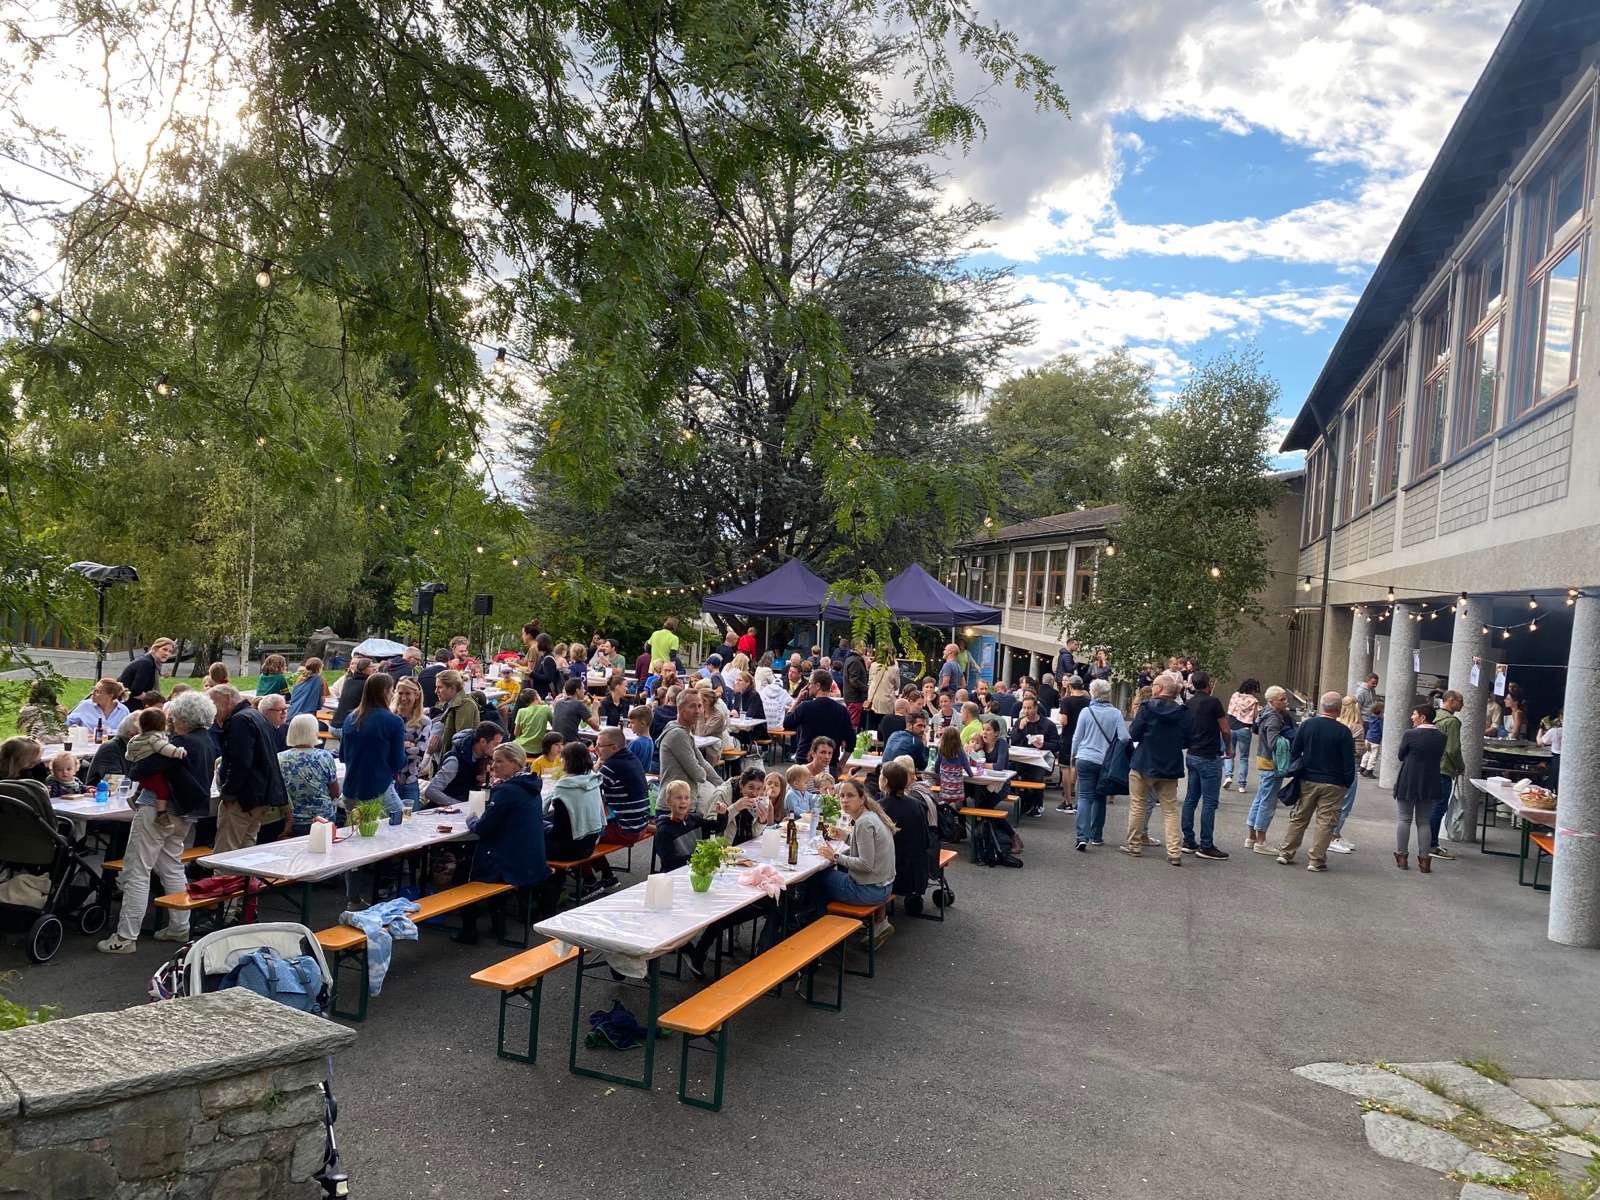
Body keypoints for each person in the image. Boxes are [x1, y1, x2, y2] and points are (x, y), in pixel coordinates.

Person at [98, 689, 217, 953]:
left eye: (173, 716)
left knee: (136, 870)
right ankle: (179, 926)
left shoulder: (179, 743)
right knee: (171, 865)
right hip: (187, 813)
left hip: (157, 810)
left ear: (181, 717)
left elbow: (139, 769)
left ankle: (125, 937)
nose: (171, 720)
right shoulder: (207, 741)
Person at [455, 742, 551, 943]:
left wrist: (471, 818)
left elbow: (482, 828)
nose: (494, 766)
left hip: (510, 863)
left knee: (463, 871)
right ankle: (497, 926)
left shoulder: (508, 791)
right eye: (493, 761)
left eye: (499, 761)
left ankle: (469, 931)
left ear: (515, 763)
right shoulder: (531, 786)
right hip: (530, 859)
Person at [1276, 692, 1357, 872]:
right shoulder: (1343, 732)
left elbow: (1295, 750)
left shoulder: (1307, 725)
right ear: (1338, 708)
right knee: (1325, 822)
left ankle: (1286, 852)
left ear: (1322, 706)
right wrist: (1347, 782)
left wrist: (1298, 768)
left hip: (1308, 778)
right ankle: (1316, 860)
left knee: (1299, 817)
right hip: (1334, 782)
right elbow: (1348, 762)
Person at [1123, 672, 1192, 865]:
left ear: (1160, 688)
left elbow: (1134, 733)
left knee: (1138, 805)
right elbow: (1188, 739)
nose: (1152, 687)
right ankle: (1174, 852)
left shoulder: (1147, 708)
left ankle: (1134, 845)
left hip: (1144, 762)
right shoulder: (1183, 712)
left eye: (1154, 684)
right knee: (1170, 810)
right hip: (1170, 765)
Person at [211, 685, 290, 852]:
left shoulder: (239, 720)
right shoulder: (254, 715)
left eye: (213, 704)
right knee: (247, 847)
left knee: (226, 850)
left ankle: (226, 879)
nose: (212, 711)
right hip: (260, 796)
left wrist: (229, 794)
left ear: (226, 700)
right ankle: (244, 879)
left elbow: (240, 762)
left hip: (243, 798)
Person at [816, 778, 896, 938]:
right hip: (885, 885)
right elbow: (868, 849)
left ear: (862, 799)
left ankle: (822, 933)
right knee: (833, 873)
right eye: (842, 795)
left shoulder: (863, 824)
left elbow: (866, 865)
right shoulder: (871, 816)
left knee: (818, 878)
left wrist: (835, 857)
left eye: (850, 796)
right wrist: (846, 836)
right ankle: (830, 926)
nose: (844, 800)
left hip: (871, 891)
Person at [338, 673, 407, 824]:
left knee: (358, 836)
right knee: (403, 825)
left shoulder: (351, 718)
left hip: (350, 790)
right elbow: (398, 762)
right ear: (385, 692)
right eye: (392, 690)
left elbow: (342, 755)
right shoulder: (394, 721)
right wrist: (406, 751)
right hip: (377, 789)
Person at [1070, 679, 1126, 851]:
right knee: (1100, 797)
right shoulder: (1116, 713)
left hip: (1085, 758)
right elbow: (1124, 737)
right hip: (1105, 761)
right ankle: (1096, 835)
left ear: (1092, 693)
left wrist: (1073, 755)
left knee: (1084, 797)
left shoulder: (1086, 712)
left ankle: (1081, 836)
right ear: (1108, 694)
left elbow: (1077, 737)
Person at [1179, 670, 1230, 860]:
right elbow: (1225, 729)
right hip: (1209, 755)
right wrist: (1229, 749)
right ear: (1208, 684)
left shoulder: (1188, 704)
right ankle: (1206, 844)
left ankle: (1188, 839)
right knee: (1209, 801)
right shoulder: (1213, 702)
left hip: (1192, 754)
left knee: (1191, 798)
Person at [1393, 703, 1445, 873]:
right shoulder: (1441, 737)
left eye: (1414, 714)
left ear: (1423, 717)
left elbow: (1401, 755)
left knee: (1404, 818)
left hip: (1408, 779)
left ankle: (1402, 856)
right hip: (1430, 780)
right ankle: (1424, 860)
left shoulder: (1410, 734)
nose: (1411, 717)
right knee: (1424, 821)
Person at [595, 726, 649, 887]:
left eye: (599, 745)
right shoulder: (631, 759)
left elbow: (587, 792)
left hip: (626, 830)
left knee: (580, 836)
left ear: (614, 747)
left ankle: (592, 880)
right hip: (640, 824)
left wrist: (597, 763)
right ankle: (606, 875)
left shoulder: (611, 767)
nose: (595, 748)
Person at [1246, 686, 1296, 853]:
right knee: (1267, 802)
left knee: (1260, 798)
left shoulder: (1265, 713)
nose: (1285, 702)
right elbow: (1274, 742)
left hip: (1263, 759)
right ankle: (1261, 841)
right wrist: (1289, 740)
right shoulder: (1274, 718)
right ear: (1272, 701)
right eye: (1281, 699)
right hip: (1271, 763)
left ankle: (1252, 837)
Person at [878, 760, 931, 915]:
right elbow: (925, 838)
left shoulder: (880, 807)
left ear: (885, 781)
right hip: (917, 870)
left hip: (893, 872)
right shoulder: (916, 804)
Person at [659, 686, 718, 814]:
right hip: (672, 808)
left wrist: (724, 786)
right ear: (680, 709)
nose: (697, 711)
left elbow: (703, 764)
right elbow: (698, 774)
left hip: (685, 805)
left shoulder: (685, 732)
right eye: (692, 706)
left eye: (700, 706)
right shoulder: (677, 734)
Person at [123, 706, 188, 823]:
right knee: (162, 790)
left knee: (146, 785)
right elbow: (165, 748)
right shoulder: (155, 738)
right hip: (153, 773)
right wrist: (178, 752)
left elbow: (128, 755)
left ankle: (135, 796)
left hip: (140, 770)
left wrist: (138, 757)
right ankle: (161, 814)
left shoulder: (135, 738)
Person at [278, 714, 341, 832]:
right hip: (323, 818)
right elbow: (335, 792)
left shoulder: (280, 758)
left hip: (292, 818)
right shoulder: (324, 756)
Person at [545, 741, 605, 863]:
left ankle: (547, 879)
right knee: (545, 821)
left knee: (530, 831)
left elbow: (558, 831)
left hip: (568, 849)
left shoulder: (565, 787)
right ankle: (591, 877)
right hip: (590, 843)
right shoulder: (593, 779)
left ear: (567, 761)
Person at [783, 669, 853, 772]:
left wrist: (797, 701)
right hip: (830, 761)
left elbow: (787, 723)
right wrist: (842, 762)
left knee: (801, 788)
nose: (808, 686)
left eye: (810, 683)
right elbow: (851, 740)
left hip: (805, 761)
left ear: (818, 685)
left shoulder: (805, 707)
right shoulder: (841, 710)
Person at [652, 779, 727, 873]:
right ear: (668, 801)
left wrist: (722, 814)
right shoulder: (664, 831)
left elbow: (717, 827)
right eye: (678, 798)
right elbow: (669, 861)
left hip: (697, 871)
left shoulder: (695, 820)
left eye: (686, 798)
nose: (683, 801)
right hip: (675, 875)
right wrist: (699, 857)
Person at [425, 721, 504, 807]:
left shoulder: (487, 759)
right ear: (483, 741)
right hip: (444, 813)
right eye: (496, 744)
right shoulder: (455, 761)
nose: (498, 748)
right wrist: (459, 805)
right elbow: (431, 791)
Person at [1429, 689, 1466, 861]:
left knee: (1429, 807)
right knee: (1439, 807)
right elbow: (1453, 748)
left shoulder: (1434, 717)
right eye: (1460, 701)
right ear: (1450, 700)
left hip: (1430, 766)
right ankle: (1432, 844)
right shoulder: (1452, 722)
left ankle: (1427, 841)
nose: (1462, 705)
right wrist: (1460, 766)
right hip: (1444, 768)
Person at [1327, 694, 1365, 856]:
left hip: (1333, 767)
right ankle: (1333, 836)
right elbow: (1358, 751)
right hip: (1350, 768)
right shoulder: (1357, 727)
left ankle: (1334, 834)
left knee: (1333, 803)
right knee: (1345, 804)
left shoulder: (1335, 723)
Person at [392, 677, 428, 809]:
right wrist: (404, 745)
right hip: (389, 782)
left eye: (408, 694)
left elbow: (420, 752)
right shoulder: (391, 717)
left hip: (410, 781)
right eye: (400, 693)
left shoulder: (424, 722)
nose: (403, 698)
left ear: (417, 695)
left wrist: (395, 746)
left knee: (411, 822)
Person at [1222, 679, 1261, 793]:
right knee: (1244, 757)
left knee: (1229, 753)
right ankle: (1241, 785)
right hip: (1244, 729)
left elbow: (1229, 711)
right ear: (1252, 689)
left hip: (1231, 727)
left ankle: (1228, 776)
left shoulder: (1234, 695)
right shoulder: (1253, 701)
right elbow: (1255, 717)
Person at [117, 637, 176, 705]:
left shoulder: (152, 662)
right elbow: (136, 692)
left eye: (170, 651)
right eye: (164, 649)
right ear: (155, 649)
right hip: (128, 705)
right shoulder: (147, 664)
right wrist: (156, 701)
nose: (167, 654)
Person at [85, 714, 139, 786]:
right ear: (132, 735)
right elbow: (114, 783)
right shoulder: (110, 749)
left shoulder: (141, 749)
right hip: (102, 795)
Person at [432, 669, 479, 753]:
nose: (436, 691)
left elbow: (462, 740)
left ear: (452, 688)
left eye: (439, 687)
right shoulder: (450, 703)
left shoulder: (465, 705)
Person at [66, 678, 130, 739]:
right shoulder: (85, 706)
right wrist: (73, 729)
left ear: (110, 695)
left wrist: (108, 732)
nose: (92, 693)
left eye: (97, 692)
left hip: (112, 747)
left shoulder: (123, 711)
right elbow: (67, 723)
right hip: (86, 746)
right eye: (93, 689)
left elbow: (127, 733)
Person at [328, 656, 373, 730]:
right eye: (352, 663)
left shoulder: (349, 680)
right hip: (345, 726)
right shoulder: (365, 684)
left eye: (354, 664)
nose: (374, 668)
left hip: (336, 724)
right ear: (362, 668)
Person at [550, 678, 597, 742]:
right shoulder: (578, 705)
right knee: (591, 743)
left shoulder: (558, 703)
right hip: (571, 744)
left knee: (587, 742)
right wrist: (595, 708)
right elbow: (596, 726)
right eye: (583, 688)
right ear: (577, 690)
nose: (585, 690)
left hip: (557, 742)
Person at [287, 657, 330, 721]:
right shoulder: (321, 680)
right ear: (319, 669)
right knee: (325, 727)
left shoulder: (300, 678)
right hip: (307, 718)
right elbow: (322, 701)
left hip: (291, 715)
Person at [842, 643, 869, 730]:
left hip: (853, 697)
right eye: (862, 646)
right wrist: (866, 689)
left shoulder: (851, 659)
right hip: (855, 698)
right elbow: (854, 681)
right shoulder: (855, 661)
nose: (865, 648)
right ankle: (849, 743)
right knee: (853, 725)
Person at [625, 705, 656, 772]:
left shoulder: (636, 743)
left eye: (632, 723)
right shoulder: (650, 742)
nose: (629, 725)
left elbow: (625, 763)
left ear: (642, 724)